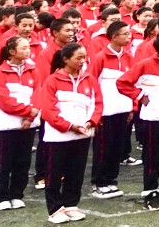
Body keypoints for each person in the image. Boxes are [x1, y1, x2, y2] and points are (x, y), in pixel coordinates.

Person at [116, 31, 159, 211]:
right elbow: (122, 83)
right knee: (153, 157)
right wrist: (140, 96)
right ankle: (150, 193)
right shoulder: (145, 65)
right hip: (153, 119)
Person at [38, 42, 102, 223]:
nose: (83, 61)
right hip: (59, 136)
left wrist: (91, 122)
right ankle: (55, 209)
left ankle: (71, 204)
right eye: (78, 58)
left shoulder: (89, 79)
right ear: (66, 59)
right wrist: (70, 126)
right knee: (54, 172)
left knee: (76, 171)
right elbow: (49, 111)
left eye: (84, 57)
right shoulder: (53, 80)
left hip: (82, 135)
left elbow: (97, 103)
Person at [87, 20, 135, 198]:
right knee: (103, 148)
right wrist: (96, 112)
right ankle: (99, 183)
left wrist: (132, 107)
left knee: (118, 147)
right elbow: (92, 84)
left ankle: (111, 181)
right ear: (114, 37)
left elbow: (132, 83)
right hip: (105, 112)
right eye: (125, 34)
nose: (129, 37)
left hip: (124, 110)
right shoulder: (101, 58)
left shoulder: (129, 57)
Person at [0, 36, 40, 211]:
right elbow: (4, 100)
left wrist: (30, 116)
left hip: (28, 123)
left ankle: (17, 194)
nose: (28, 51)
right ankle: (2, 197)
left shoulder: (33, 70)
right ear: (12, 52)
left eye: (29, 48)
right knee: (5, 162)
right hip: (8, 124)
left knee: (23, 161)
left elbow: (38, 92)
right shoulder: (0, 72)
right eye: (24, 48)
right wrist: (28, 112)